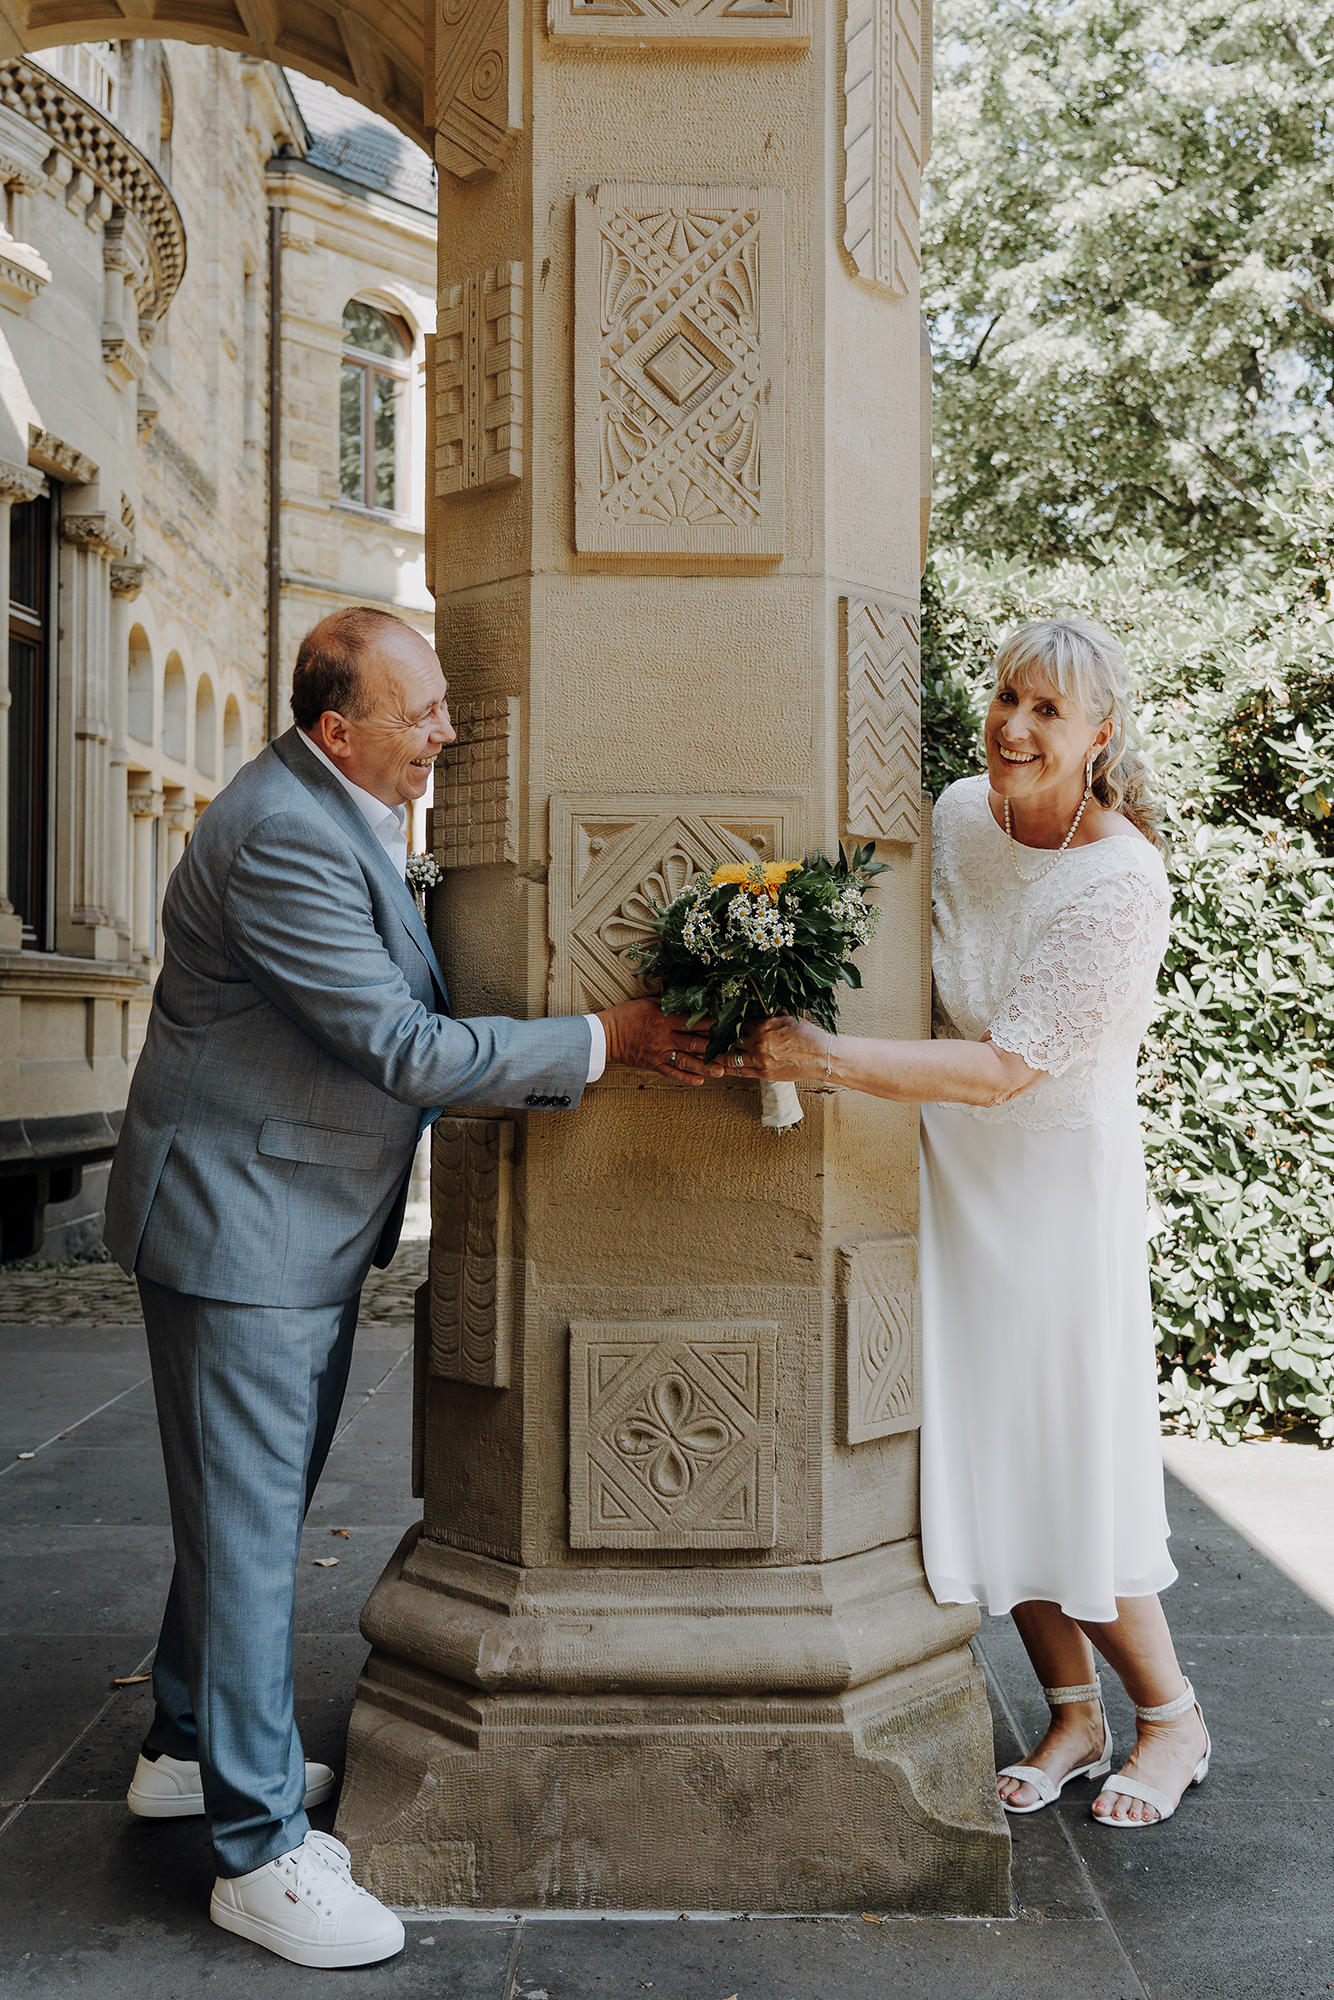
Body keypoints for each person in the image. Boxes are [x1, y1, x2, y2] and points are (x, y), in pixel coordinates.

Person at [104, 606, 721, 1969]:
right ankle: (258, 1857)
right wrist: (607, 1036)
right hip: (239, 1230)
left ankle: (184, 1749)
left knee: (244, 1509)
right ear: (339, 730)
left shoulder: (332, 807)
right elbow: (399, 1045)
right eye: (421, 712)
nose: (447, 729)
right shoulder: (280, 831)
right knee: (257, 1530)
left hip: (280, 1221)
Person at [729, 616, 1211, 1832]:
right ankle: (1071, 1709)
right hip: (949, 1176)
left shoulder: (1118, 878)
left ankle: (1168, 1717)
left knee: (1067, 1458)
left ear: (1099, 735)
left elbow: (1006, 1068)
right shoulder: (951, 815)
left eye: (1049, 710)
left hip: (1050, 1192)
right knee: (986, 1450)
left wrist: (822, 1057)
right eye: (1006, 695)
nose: (1013, 725)